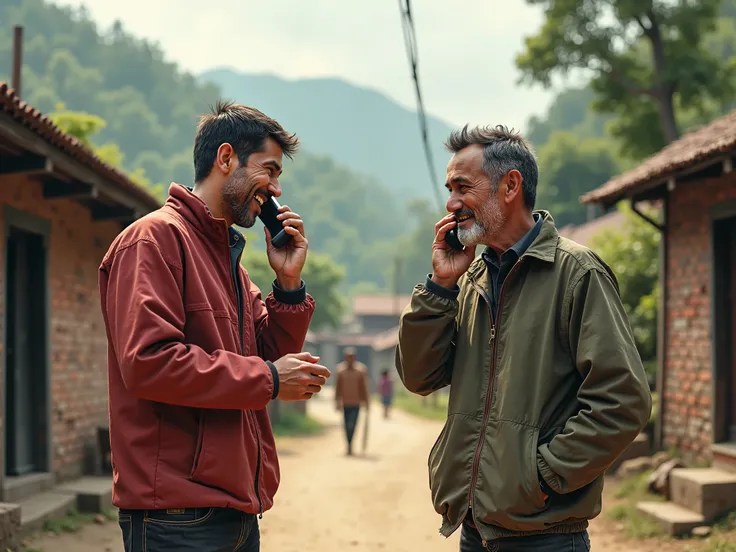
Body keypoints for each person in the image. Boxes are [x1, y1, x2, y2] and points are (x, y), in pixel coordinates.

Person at [395, 124, 651, 551]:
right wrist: (440, 286)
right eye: (450, 188)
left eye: (463, 187)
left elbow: (624, 401)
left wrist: (544, 476)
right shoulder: (471, 278)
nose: (451, 203)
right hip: (475, 529)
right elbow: (419, 378)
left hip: (545, 537)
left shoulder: (576, 273)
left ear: (510, 185)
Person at [98, 100, 331, 552]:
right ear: (226, 159)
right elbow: (150, 363)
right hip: (177, 517)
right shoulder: (153, 240)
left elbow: (266, 353)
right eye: (270, 170)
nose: (277, 190)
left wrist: (287, 284)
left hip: (235, 510)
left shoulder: (232, 266)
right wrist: (269, 378)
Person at [334, 347, 370, 455]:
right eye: (348, 357)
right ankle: (349, 445)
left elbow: (364, 387)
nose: (350, 359)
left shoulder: (360, 370)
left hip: (356, 403)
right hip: (345, 403)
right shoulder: (340, 370)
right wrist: (337, 401)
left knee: (353, 424)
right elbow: (337, 388)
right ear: (345, 357)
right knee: (346, 425)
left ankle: (351, 443)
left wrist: (366, 402)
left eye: (352, 357)